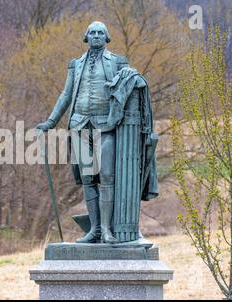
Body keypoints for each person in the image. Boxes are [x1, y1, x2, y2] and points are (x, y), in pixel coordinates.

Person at [37, 21, 158, 244]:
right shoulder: (76, 64)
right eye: (91, 33)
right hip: (80, 124)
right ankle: (95, 230)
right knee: (87, 179)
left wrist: (136, 78)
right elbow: (66, 95)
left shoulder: (118, 61)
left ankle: (107, 230)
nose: (95, 36)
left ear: (106, 37)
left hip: (106, 125)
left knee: (107, 176)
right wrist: (51, 122)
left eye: (100, 33)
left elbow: (131, 84)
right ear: (86, 37)